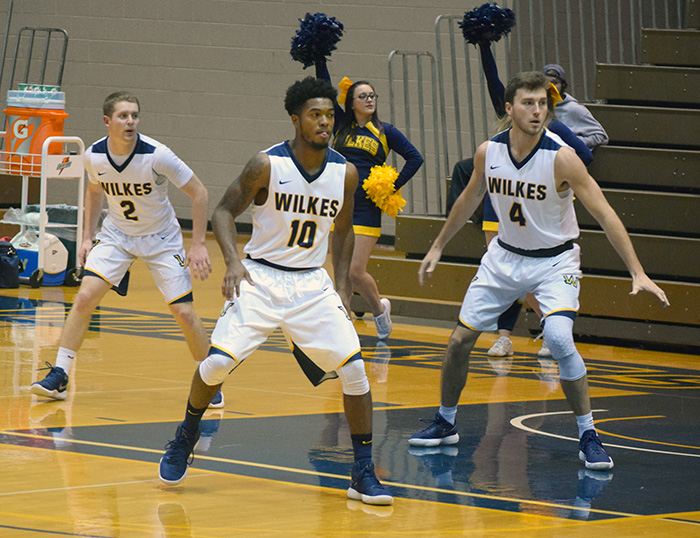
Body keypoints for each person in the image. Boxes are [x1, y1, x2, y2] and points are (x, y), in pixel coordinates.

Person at [408, 71, 669, 471]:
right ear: (509, 108)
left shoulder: (562, 156)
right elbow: (468, 197)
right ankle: (445, 422)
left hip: (554, 261)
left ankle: (588, 435)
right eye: (528, 103)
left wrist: (636, 270)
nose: (537, 110)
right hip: (503, 258)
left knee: (561, 341)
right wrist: (438, 245)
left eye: (543, 103)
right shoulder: (488, 152)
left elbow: (604, 212)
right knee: (459, 341)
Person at [158, 77, 393, 506]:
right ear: (295, 119)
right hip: (260, 278)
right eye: (314, 115)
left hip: (311, 284)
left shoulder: (345, 172)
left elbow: (343, 231)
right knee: (215, 366)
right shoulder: (266, 164)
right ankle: (186, 433)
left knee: (355, 370)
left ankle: (361, 473)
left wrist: (341, 286)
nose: (324, 122)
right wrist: (232, 261)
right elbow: (224, 211)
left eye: (328, 115)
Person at [30, 91, 223, 408]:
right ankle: (60, 375)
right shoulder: (93, 156)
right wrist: (86, 237)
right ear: (108, 121)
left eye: (134, 115)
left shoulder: (157, 155)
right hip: (118, 234)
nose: (130, 121)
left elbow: (199, 193)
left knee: (184, 313)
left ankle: (211, 382)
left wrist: (199, 243)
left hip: (161, 238)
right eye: (123, 116)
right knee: (85, 297)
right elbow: (94, 194)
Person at [315, 61, 424, 340]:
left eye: (372, 95)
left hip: (367, 208)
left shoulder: (386, 131)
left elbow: (415, 158)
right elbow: (326, 88)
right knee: (340, 272)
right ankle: (343, 329)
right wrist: (321, 58)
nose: (369, 100)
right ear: (351, 103)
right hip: (339, 205)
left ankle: (378, 310)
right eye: (363, 96)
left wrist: (391, 186)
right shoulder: (340, 124)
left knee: (354, 271)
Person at [543, 64, 609, 149]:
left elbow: (602, 137)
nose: (550, 87)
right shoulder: (537, 108)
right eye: (546, 82)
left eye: (555, 83)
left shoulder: (574, 109)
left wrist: (572, 142)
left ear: (562, 85)